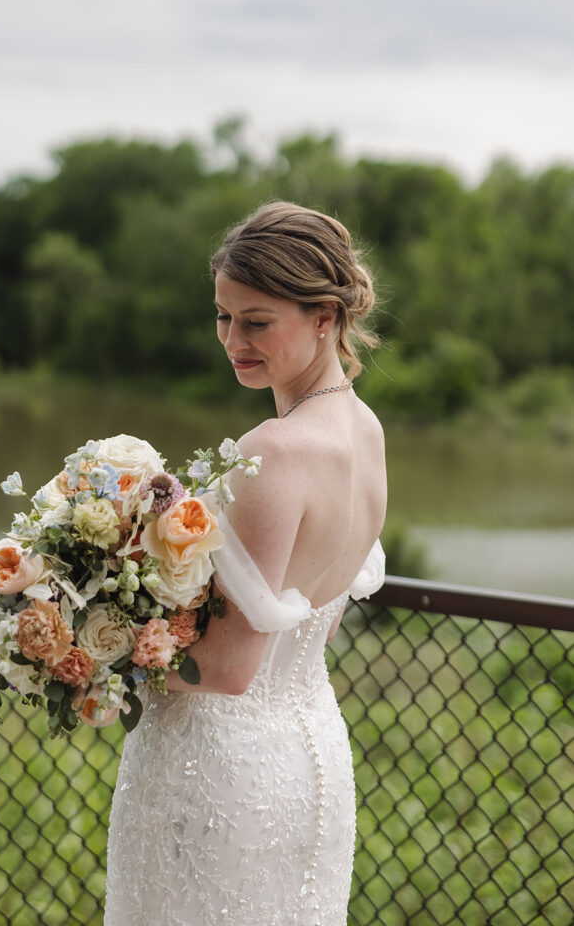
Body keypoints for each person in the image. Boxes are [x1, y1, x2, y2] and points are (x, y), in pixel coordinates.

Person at [103, 201, 387, 926]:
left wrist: (95, 645)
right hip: (311, 752)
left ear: (324, 316)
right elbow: (312, 626)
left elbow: (227, 671)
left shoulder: (275, 449)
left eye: (256, 321)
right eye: (223, 317)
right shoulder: (364, 431)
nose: (233, 340)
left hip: (217, 773)